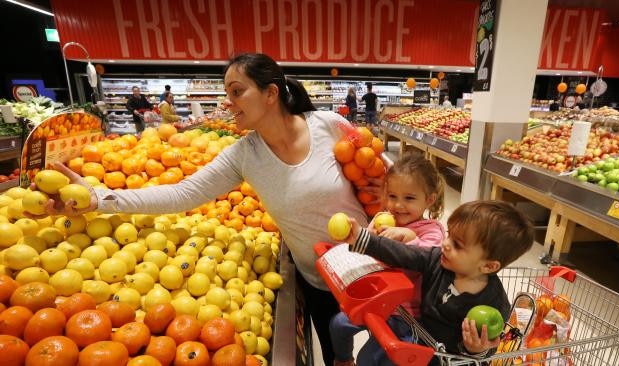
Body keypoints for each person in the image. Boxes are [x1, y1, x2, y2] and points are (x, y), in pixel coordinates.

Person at [33, 53, 372, 366]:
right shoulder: (244, 155)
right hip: (320, 280)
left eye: (237, 91)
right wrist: (101, 198)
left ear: (271, 93)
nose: (229, 102)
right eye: (228, 93)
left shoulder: (327, 125)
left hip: (377, 265)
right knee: (339, 358)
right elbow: (182, 194)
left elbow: (384, 177)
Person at [343, 200, 535, 365]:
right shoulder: (437, 260)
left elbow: (489, 347)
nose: (445, 243)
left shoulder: (494, 303)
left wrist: (475, 349)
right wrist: (363, 238)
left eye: (457, 244)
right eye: (449, 234)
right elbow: (403, 253)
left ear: (488, 266)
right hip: (420, 340)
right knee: (369, 357)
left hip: (449, 359)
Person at [330, 154, 446, 366]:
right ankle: (344, 360)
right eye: (392, 196)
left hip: (407, 314)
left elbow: (430, 257)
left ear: (429, 200)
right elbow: (367, 249)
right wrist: (366, 236)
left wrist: (410, 238)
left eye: (409, 198)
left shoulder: (431, 231)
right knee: (338, 324)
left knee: (368, 358)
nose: (398, 205)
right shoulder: (383, 219)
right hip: (377, 299)